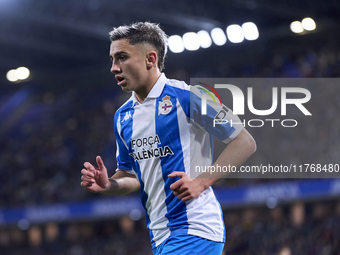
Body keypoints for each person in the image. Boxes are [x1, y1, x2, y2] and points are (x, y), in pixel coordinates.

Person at [80, 21, 256, 255]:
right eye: (112, 59)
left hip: (195, 228)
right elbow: (132, 175)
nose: (114, 67)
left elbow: (244, 141)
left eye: (122, 57)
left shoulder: (188, 97)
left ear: (150, 59)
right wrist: (109, 184)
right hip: (160, 236)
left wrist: (201, 182)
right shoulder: (123, 117)